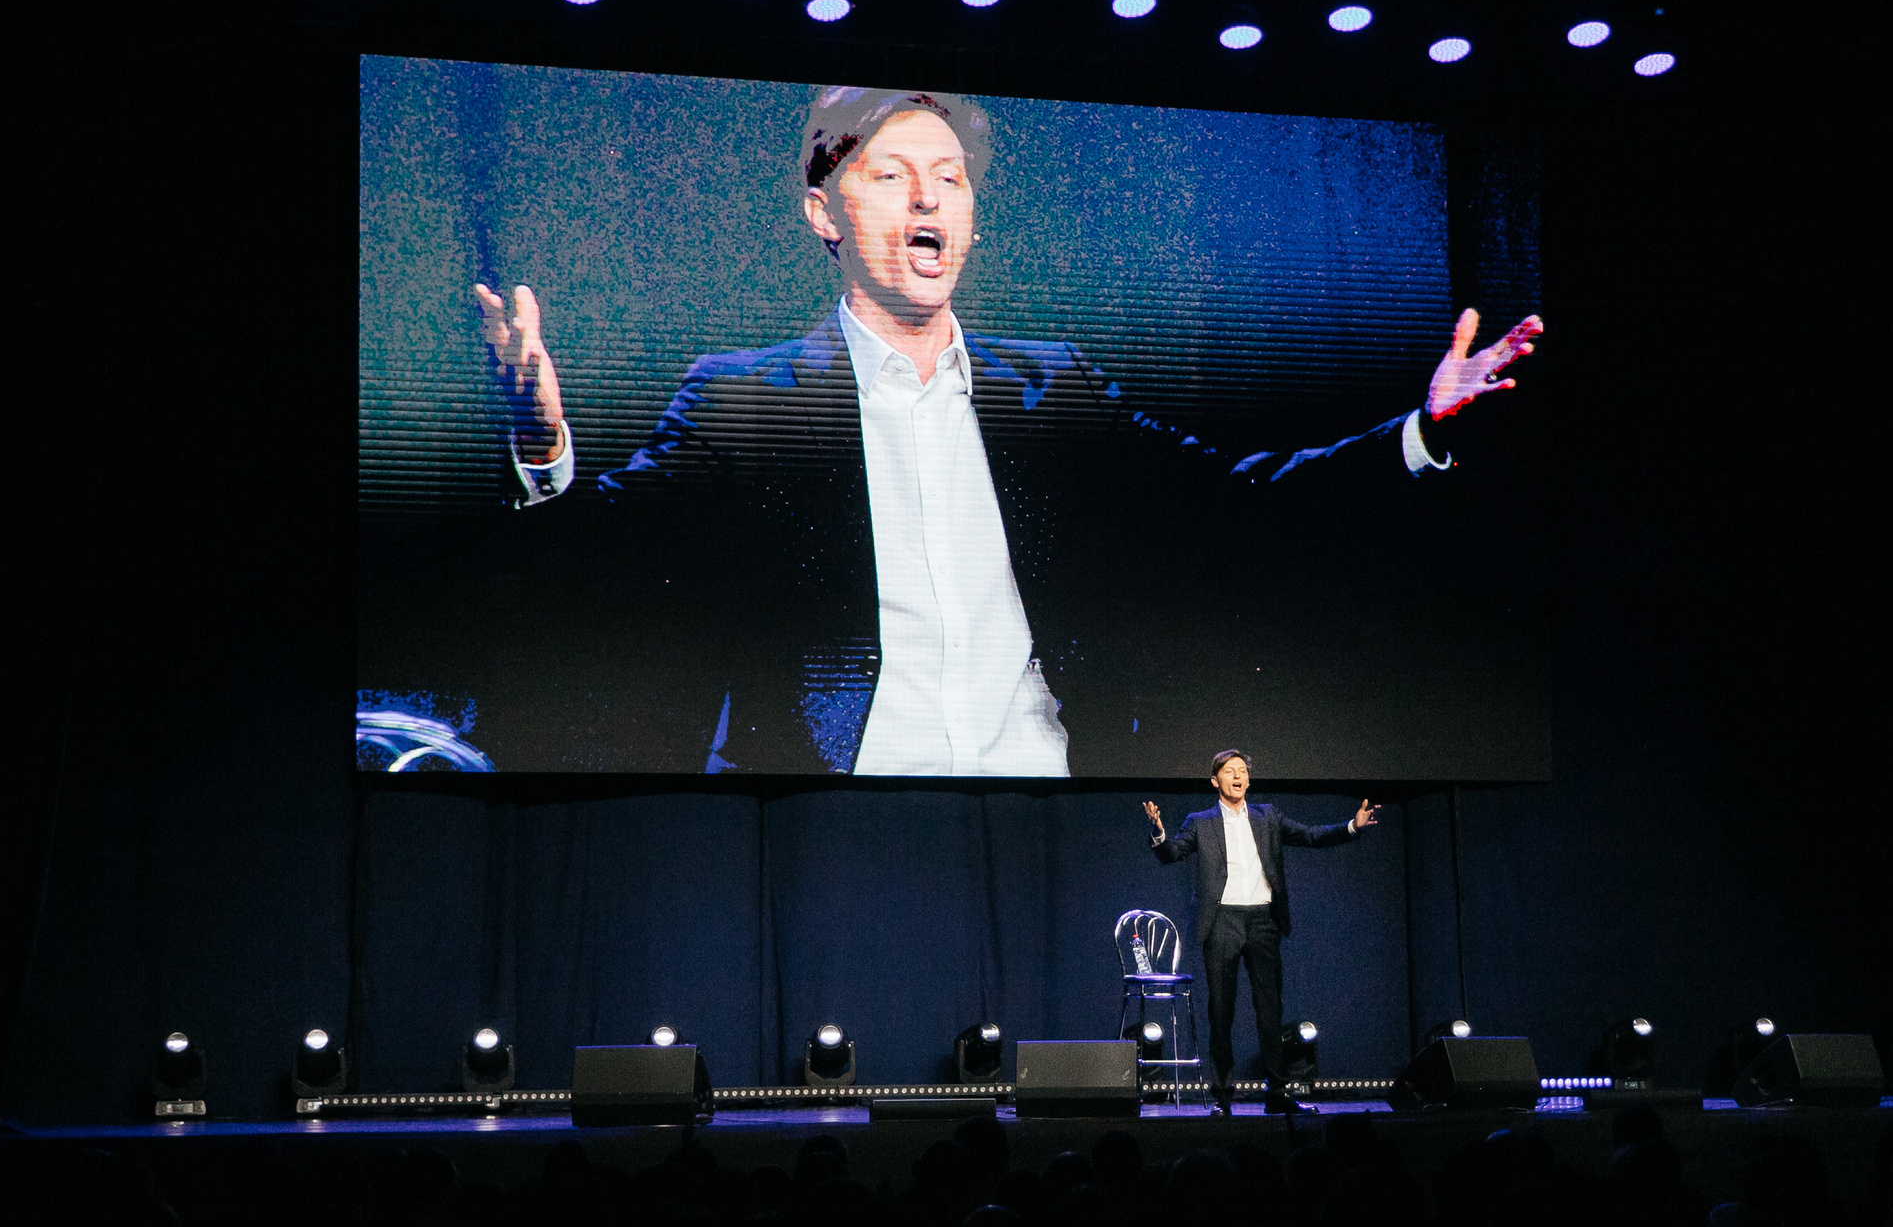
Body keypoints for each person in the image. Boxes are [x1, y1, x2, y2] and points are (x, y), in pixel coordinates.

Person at [473, 85, 1544, 776]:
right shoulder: (746, 402)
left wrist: (1420, 430)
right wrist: (542, 440)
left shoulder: (1053, 387)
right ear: (823, 211)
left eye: (949, 180)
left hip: (1044, 790)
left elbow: (1236, 504)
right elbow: (605, 565)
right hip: (838, 801)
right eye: (890, 176)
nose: (927, 201)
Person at [1144, 750, 1378, 1114]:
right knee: (1221, 1012)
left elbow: (1310, 835)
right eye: (1229, 771)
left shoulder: (1267, 816)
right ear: (1215, 780)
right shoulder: (1200, 822)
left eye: (1242, 771)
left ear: (1248, 780)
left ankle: (1278, 1093)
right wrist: (1159, 832)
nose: (1238, 776)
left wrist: (1352, 826)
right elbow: (1172, 853)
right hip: (1221, 921)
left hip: (1263, 921)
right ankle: (1223, 1097)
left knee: (1270, 1009)